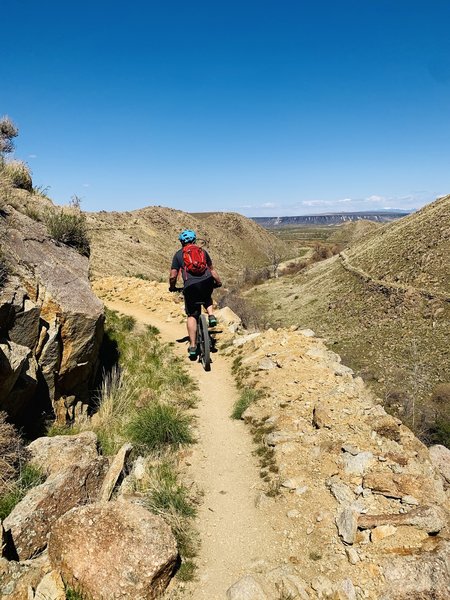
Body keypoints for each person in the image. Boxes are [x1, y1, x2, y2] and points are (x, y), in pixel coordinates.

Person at [169, 230, 222, 358]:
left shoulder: (178, 255)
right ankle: (211, 315)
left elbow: (173, 275)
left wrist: (172, 286)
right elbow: (212, 270)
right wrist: (218, 282)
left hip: (190, 286)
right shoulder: (202, 252)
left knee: (192, 315)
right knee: (206, 297)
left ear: (182, 242)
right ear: (194, 240)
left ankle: (193, 346)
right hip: (207, 281)